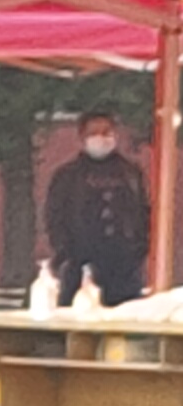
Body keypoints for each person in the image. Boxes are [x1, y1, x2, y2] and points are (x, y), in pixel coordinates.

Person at [42, 110, 153, 306]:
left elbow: (142, 212)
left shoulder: (130, 174)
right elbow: (54, 217)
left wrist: (139, 249)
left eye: (106, 132)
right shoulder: (68, 176)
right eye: (94, 132)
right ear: (82, 136)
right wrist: (64, 251)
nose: (101, 137)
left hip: (124, 266)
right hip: (79, 262)